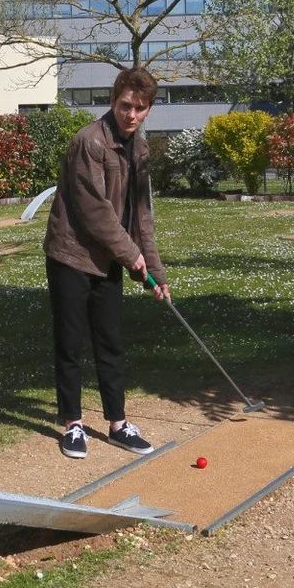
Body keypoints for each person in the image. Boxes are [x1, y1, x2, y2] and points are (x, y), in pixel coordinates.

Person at [43, 65, 170, 459]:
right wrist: (130, 254)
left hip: (108, 257)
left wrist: (155, 270)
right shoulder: (89, 142)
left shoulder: (141, 150)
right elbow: (94, 211)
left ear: (148, 110)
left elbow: (141, 216)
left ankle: (118, 424)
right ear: (113, 101)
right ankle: (73, 425)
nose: (131, 114)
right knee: (70, 342)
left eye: (140, 108)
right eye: (126, 105)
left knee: (110, 341)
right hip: (71, 253)